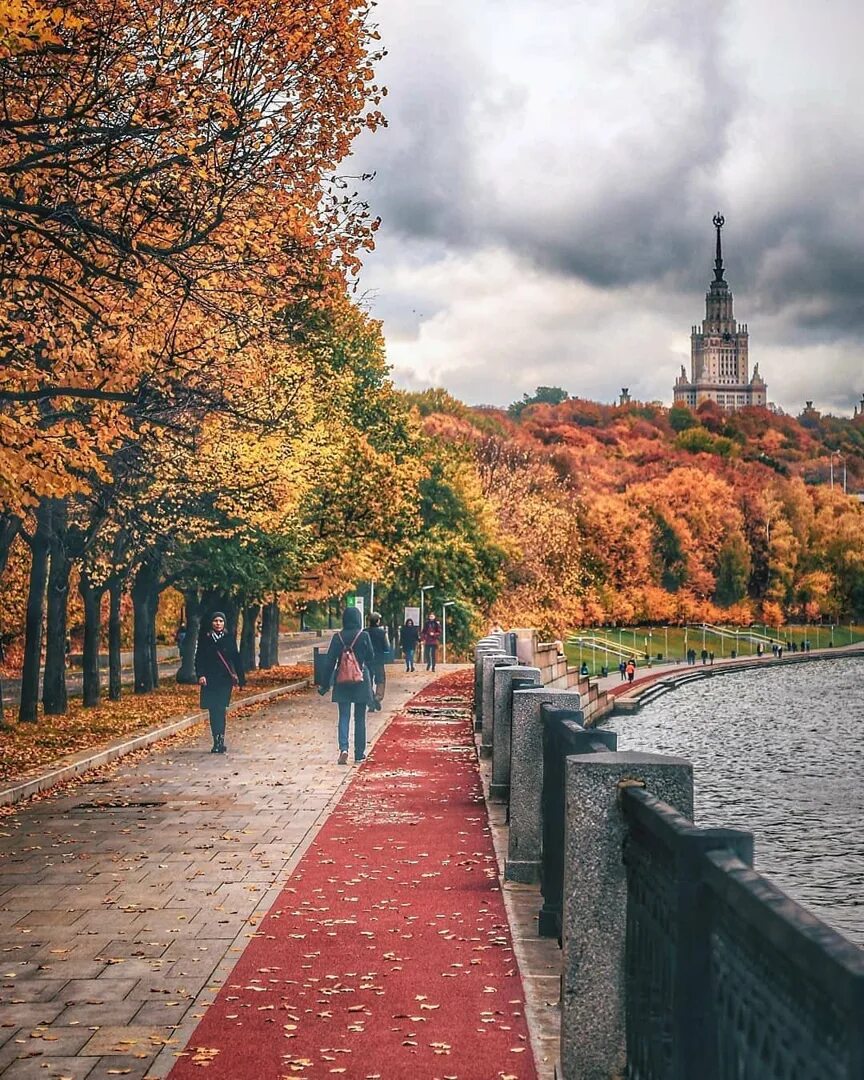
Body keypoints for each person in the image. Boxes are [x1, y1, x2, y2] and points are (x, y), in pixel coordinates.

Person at [318, 606, 376, 765]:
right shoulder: (363, 636)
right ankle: (359, 754)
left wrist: (324, 684)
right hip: (360, 680)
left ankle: (344, 748)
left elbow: (329, 662)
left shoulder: (338, 637)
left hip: (342, 680)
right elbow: (371, 657)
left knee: (343, 716)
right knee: (359, 718)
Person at [196, 612, 244, 754]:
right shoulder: (205, 638)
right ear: (212, 623)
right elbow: (199, 658)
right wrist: (201, 675)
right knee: (213, 709)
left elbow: (236, 658)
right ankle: (215, 740)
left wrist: (241, 678)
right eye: (215, 621)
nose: (218, 623)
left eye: (221, 621)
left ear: (224, 623)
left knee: (221, 709)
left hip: (224, 680)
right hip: (209, 679)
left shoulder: (229, 638)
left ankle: (220, 740)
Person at [367, 612, 389, 701]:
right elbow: (386, 647)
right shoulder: (382, 632)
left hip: (367, 659)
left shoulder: (365, 632)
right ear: (378, 621)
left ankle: (370, 696)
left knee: (368, 679)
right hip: (379, 659)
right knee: (380, 679)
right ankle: (378, 696)